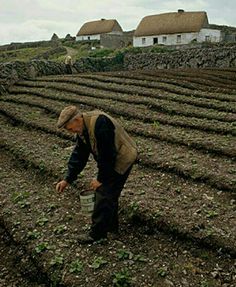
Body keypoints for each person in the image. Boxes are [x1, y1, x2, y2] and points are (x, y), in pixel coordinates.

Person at [56, 106, 137, 244]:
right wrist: (67, 179)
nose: (71, 132)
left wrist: (100, 179)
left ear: (77, 119)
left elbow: (108, 155)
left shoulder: (100, 123)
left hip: (122, 157)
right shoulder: (83, 130)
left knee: (103, 192)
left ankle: (97, 234)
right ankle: (111, 228)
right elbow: (79, 155)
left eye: (70, 128)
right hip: (111, 158)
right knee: (110, 194)